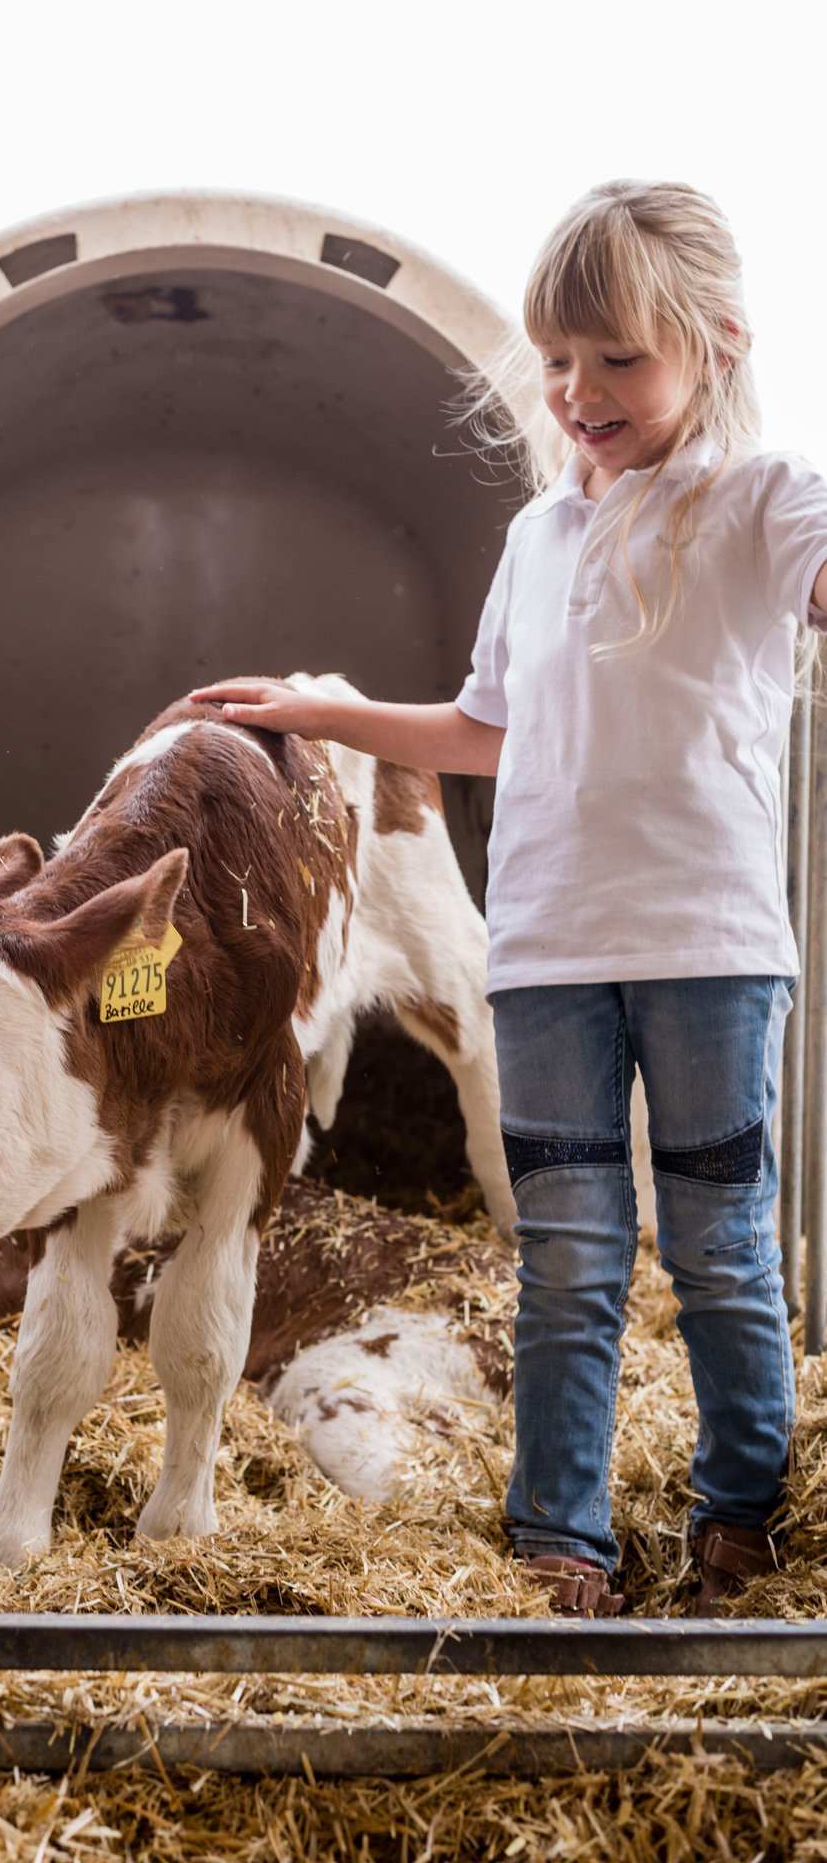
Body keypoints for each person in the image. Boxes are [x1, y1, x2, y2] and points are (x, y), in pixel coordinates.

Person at [191, 180, 827, 1616]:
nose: (576, 391)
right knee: (564, 1257)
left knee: (719, 1246)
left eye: (617, 359)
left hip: (705, 946)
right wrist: (324, 712)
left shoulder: (760, 495)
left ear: (711, 347)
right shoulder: (537, 537)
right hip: (542, 951)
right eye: (555, 358)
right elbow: (485, 730)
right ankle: (561, 1538)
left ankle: (741, 1518)